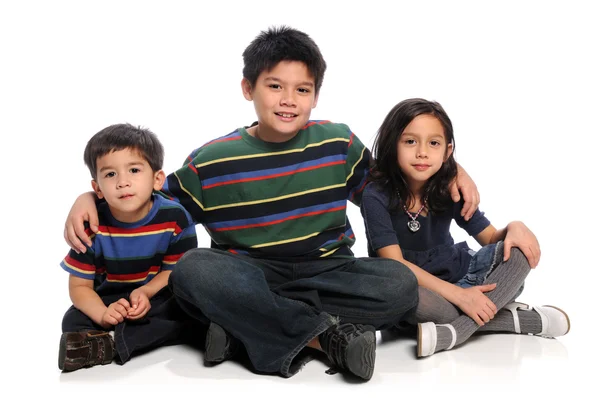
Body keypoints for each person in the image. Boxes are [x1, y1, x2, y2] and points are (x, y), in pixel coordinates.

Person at [62, 27, 479, 381]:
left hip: (328, 271)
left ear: (316, 96)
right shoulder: (211, 161)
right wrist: (88, 199)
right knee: (192, 270)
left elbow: (394, 184)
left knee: (398, 284)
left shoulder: (339, 144)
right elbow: (147, 202)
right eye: (274, 86)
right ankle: (323, 336)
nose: (288, 100)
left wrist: (453, 168)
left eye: (302, 89)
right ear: (248, 88)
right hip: (249, 274)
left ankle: (244, 329)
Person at [361, 98, 570, 358]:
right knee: (411, 299)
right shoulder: (375, 195)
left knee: (517, 253)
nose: (422, 152)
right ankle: (518, 320)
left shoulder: (449, 188)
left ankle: (455, 331)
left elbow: (491, 238)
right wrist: (461, 297)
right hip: (417, 287)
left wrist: (516, 227)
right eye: (410, 141)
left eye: (433, 143)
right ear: (393, 145)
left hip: (463, 275)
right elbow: (394, 263)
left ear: (447, 152)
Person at [59, 123, 199, 372]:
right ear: (97, 188)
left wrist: (146, 292)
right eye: (110, 174)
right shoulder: (91, 223)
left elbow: (176, 271)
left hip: (156, 296)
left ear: (157, 179)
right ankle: (133, 333)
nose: (123, 182)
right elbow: (79, 287)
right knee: (72, 320)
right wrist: (103, 314)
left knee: (187, 308)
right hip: (109, 297)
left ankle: (112, 342)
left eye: (134, 170)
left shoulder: (175, 218)